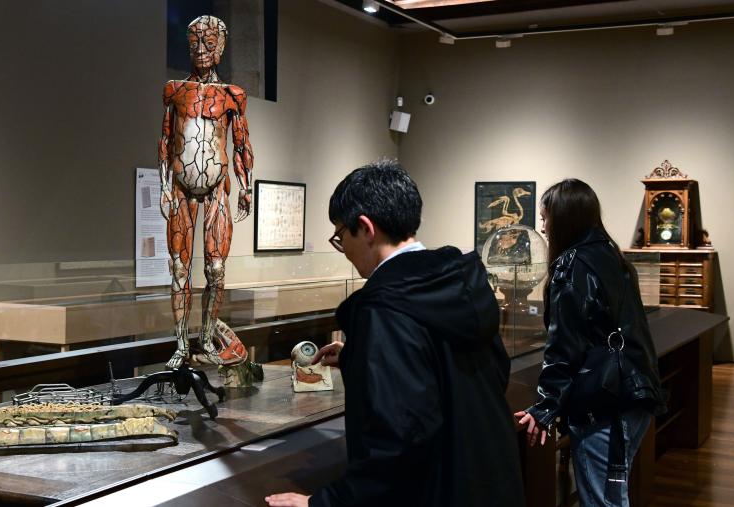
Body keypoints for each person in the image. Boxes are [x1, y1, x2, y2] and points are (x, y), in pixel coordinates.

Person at [266, 160, 525, 507]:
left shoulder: (384, 307)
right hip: (489, 480)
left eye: (341, 236)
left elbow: (398, 440)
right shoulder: (459, 282)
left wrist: (323, 503)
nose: (343, 249)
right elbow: (479, 371)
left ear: (366, 228)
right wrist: (361, 359)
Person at [515, 178, 665, 507]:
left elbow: (564, 346)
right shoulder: (613, 257)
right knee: (612, 492)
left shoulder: (571, 266)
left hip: (605, 402)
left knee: (603, 500)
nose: (543, 226)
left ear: (565, 217)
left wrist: (545, 406)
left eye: (546, 217)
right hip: (635, 394)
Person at [157, 15, 254, 370]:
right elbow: (166, 142)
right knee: (180, 270)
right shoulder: (175, 91)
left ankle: (208, 337)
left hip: (216, 190)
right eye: (195, 43)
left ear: (221, 48)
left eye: (209, 44)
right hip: (182, 189)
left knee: (215, 269)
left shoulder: (232, 96)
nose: (201, 51)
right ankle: (182, 344)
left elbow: (241, 143)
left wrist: (245, 187)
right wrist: (165, 188)